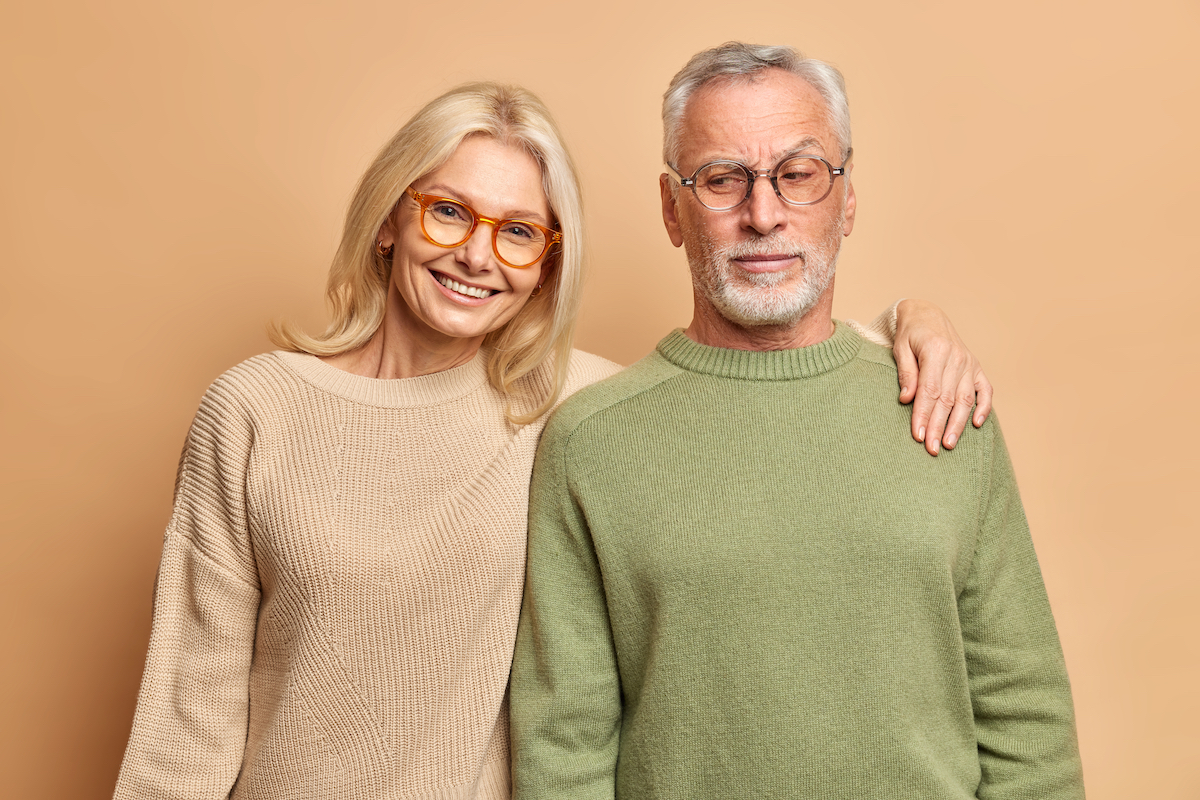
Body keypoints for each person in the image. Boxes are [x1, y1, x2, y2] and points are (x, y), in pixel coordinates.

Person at [114, 81, 992, 799]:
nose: (478, 256)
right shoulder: (255, 411)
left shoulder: (578, 408)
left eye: (519, 232)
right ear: (389, 219)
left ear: (546, 263)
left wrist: (912, 324)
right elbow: (184, 722)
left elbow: (757, 380)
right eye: (449, 212)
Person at [509, 43, 1085, 800]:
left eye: (798, 174)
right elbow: (564, 751)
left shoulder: (944, 404)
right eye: (722, 180)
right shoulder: (590, 444)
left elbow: (1026, 719)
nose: (764, 214)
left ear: (847, 199)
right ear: (670, 207)